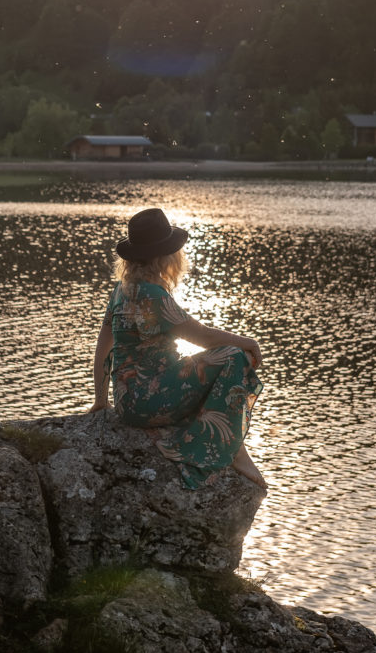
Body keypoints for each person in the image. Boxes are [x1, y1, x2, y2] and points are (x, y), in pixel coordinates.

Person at [90, 207, 266, 489]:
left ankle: (229, 442)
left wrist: (101, 399)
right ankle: (232, 449)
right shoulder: (154, 295)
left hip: (127, 404)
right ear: (162, 256)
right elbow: (204, 338)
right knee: (235, 357)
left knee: (218, 358)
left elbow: (103, 347)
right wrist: (249, 342)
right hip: (153, 399)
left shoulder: (120, 291)